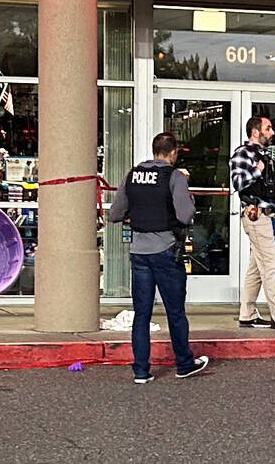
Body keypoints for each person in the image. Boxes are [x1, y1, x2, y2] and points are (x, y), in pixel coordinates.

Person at [105, 132, 212, 383]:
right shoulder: (174, 176)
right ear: (173, 153)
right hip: (165, 250)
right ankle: (184, 364)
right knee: (175, 311)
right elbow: (185, 216)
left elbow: (115, 213)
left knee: (141, 314)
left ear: (154, 151)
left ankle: (140, 371)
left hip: (138, 253)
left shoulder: (132, 175)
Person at [230, 115, 275, 330]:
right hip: (256, 214)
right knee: (270, 265)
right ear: (255, 131)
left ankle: (247, 313)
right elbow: (237, 182)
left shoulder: (265, 156)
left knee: (256, 268)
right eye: (268, 128)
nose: (272, 132)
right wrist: (257, 170)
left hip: (268, 214)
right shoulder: (243, 154)